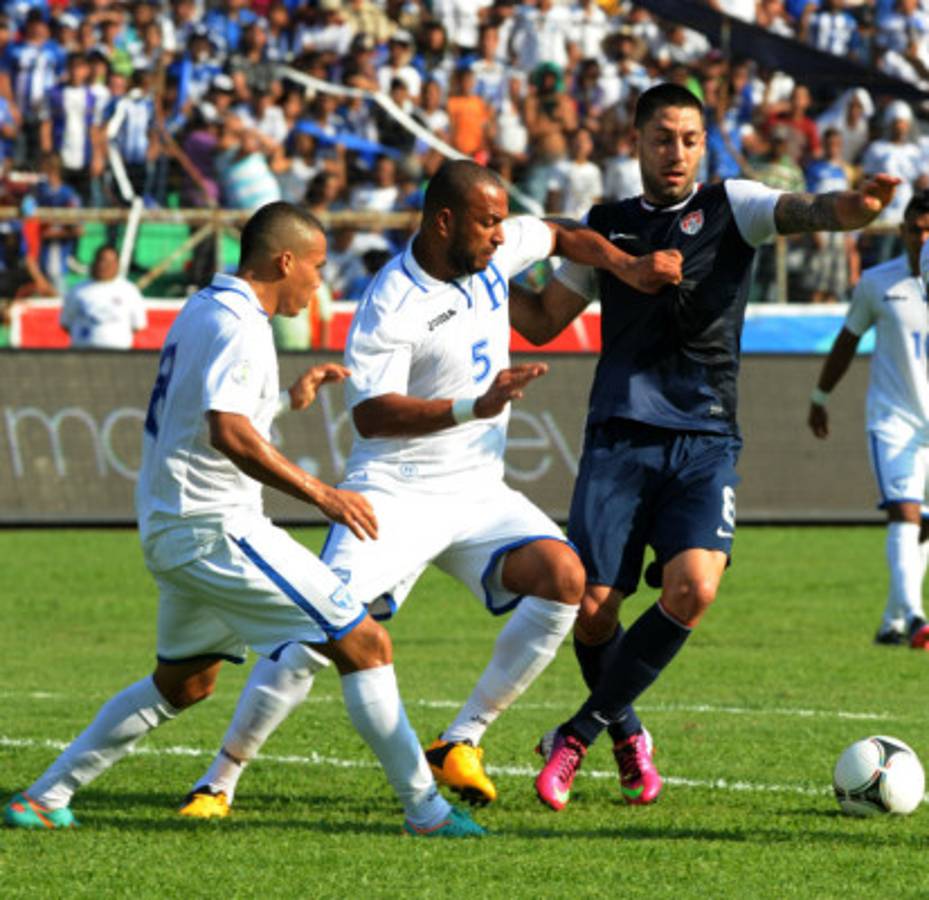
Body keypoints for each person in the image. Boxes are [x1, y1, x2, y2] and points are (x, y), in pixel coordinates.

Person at [175, 159, 683, 819]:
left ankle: (461, 739)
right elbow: (371, 413)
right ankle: (220, 779)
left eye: (503, 220)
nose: (502, 235)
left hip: (476, 491)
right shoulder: (392, 300)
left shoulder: (492, 250)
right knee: (313, 631)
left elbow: (560, 237)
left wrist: (625, 265)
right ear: (446, 221)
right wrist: (474, 405)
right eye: (488, 221)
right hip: (394, 494)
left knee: (564, 577)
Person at [3, 201, 484, 839]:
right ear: (283, 261)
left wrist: (287, 399)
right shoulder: (242, 326)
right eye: (315, 268)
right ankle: (425, 812)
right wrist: (324, 495)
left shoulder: (203, 307)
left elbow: (209, 417)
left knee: (186, 682)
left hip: (174, 530)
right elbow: (227, 432)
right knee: (364, 642)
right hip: (216, 529)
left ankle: (43, 797)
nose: (321, 283)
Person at [505, 82, 898, 812]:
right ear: (635, 142)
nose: (677, 152)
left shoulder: (731, 204)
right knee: (593, 609)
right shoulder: (605, 227)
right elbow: (540, 321)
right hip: (619, 434)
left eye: (689, 138)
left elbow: (810, 211)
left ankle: (578, 732)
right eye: (662, 138)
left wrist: (857, 210)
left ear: (703, 142)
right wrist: (480, 267)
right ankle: (625, 731)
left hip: (704, 434)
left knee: (695, 588)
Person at [808, 191, 929, 649]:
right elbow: (846, 341)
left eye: (928, 230)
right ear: (901, 232)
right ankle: (918, 617)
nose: (922, 238)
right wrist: (820, 396)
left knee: (923, 523)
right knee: (904, 513)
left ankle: (892, 618)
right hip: (894, 420)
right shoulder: (878, 283)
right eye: (915, 229)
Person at [60, 245, 147, 350]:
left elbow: (137, 325)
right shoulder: (77, 290)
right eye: (101, 260)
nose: (103, 265)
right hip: (82, 353)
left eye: (109, 262)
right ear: (94, 262)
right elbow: (66, 323)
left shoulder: (129, 291)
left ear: (117, 265)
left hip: (118, 355)